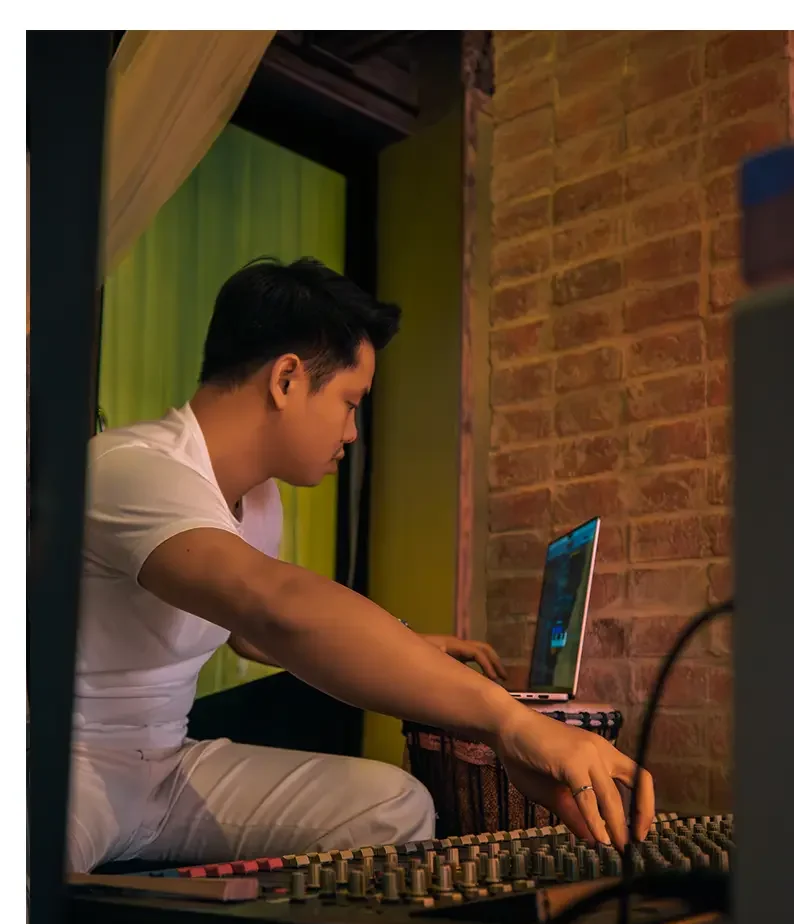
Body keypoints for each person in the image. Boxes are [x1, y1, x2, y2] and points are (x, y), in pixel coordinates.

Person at [70, 257, 654, 873]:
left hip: (167, 767)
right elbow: (273, 610)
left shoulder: (258, 501)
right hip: (71, 766)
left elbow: (243, 633)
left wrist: (413, 650)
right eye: (351, 402)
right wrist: (506, 723)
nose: (352, 432)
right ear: (287, 379)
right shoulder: (130, 468)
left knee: (392, 808)